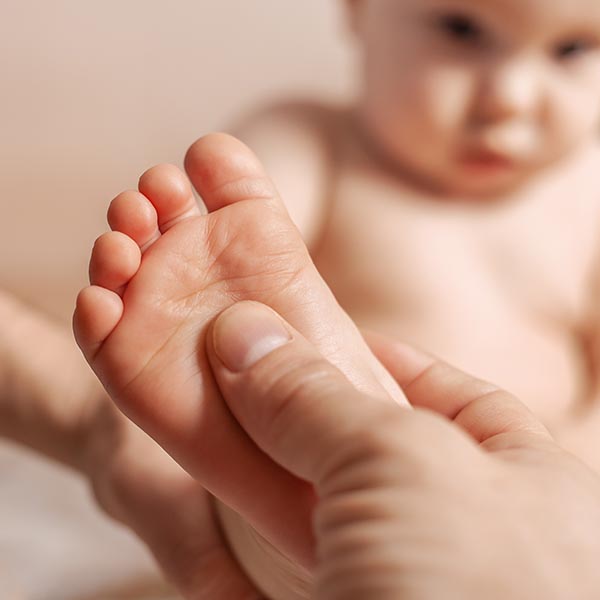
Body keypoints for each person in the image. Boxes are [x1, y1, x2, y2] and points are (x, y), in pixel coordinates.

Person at [72, 0, 600, 594]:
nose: (511, 97)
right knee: (269, 496)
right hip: (324, 462)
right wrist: (211, 273)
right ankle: (278, 525)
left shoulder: (589, 187)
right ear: (359, 8)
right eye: (461, 29)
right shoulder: (315, 144)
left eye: (573, 49)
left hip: (551, 499)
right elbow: (239, 232)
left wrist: (578, 454)